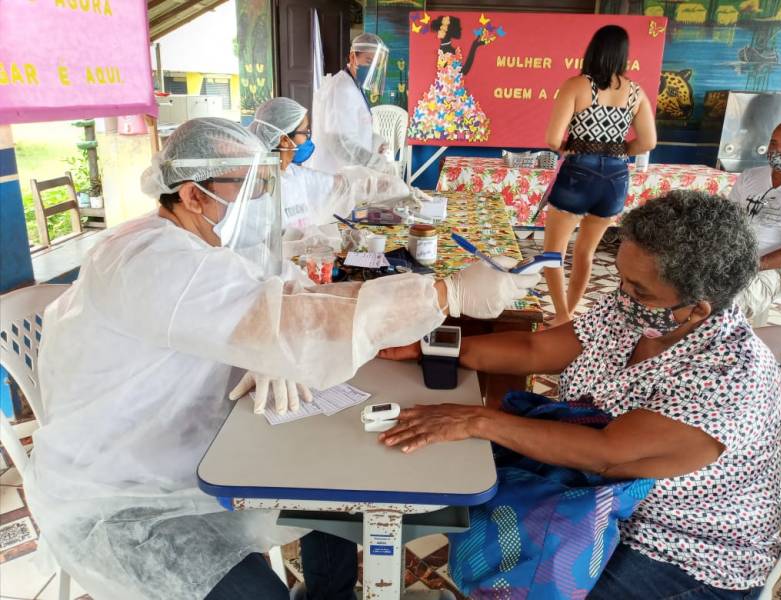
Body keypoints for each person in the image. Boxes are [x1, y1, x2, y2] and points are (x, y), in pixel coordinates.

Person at [24, 117, 541, 600]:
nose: (262, 195)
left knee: (329, 511)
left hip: (186, 450)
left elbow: (280, 300)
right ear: (191, 194)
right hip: (125, 500)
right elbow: (291, 321)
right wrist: (443, 295)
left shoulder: (184, 242)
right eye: (247, 185)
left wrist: (260, 347)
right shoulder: (157, 262)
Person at [379, 191, 781, 599]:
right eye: (621, 279)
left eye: (639, 290)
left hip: (680, 550)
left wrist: (477, 421)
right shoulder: (635, 313)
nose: (621, 295)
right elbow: (537, 350)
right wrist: (431, 347)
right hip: (583, 498)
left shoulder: (731, 374)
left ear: (697, 310)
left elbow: (606, 453)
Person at [543, 24, 657, 326]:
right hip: (616, 178)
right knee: (586, 253)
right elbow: (648, 142)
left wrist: (577, 148)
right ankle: (573, 313)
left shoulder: (576, 86)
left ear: (593, 49)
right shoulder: (635, 92)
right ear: (623, 56)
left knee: (552, 253)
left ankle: (562, 316)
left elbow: (553, 139)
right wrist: (618, 150)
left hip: (578, 172)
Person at [249, 97, 431, 251]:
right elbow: (270, 249)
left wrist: (401, 191)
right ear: (284, 140)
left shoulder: (293, 174)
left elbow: (347, 185)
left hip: (314, 266)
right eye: (305, 132)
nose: (309, 139)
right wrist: (332, 242)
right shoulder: (258, 188)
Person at [730, 118, 781, 320]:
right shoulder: (750, 176)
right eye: (773, 143)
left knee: (722, 304)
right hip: (731, 259)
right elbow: (728, 218)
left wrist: (749, 265)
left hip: (771, 270)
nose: (777, 150)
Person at [307, 33, 395, 175]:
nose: (372, 68)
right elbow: (339, 142)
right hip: (334, 176)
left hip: (351, 175)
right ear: (353, 57)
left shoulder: (355, 87)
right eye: (368, 61)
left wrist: (376, 143)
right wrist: (376, 164)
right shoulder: (341, 89)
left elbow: (355, 130)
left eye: (376, 64)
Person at [407, 15, 491, 143]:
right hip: (448, 98)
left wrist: (475, 46)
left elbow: (462, 72)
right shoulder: (447, 51)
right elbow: (463, 71)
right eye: (459, 27)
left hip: (454, 96)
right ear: (449, 29)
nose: (461, 29)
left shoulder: (449, 49)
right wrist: (474, 46)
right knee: (457, 127)